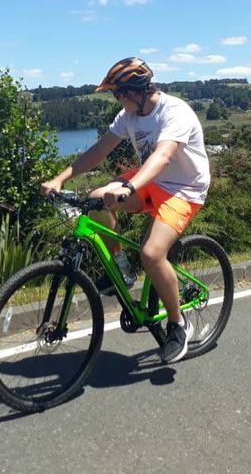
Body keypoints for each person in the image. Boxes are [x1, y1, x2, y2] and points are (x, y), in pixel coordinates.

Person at [40, 57, 210, 363]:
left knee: (151, 254)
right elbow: (99, 150)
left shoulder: (174, 112)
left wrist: (129, 188)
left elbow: (162, 157)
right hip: (151, 181)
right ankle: (120, 264)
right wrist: (61, 177)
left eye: (117, 94)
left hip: (184, 189)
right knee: (97, 198)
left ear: (134, 92)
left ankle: (176, 326)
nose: (115, 100)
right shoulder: (128, 115)